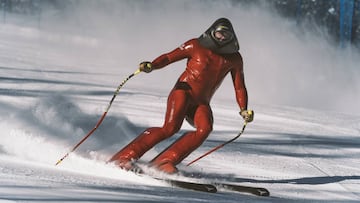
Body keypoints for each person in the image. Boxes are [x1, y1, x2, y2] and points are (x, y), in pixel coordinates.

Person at [109, 18, 254, 174]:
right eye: (219, 34)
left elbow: (239, 86)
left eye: (226, 35)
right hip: (183, 93)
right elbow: (169, 57)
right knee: (170, 128)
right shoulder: (195, 45)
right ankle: (124, 157)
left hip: (202, 102)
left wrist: (243, 109)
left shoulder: (234, 58)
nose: (222, 38)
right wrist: (152, 65)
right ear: (212, 32)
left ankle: (164, 161)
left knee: (204, 129)